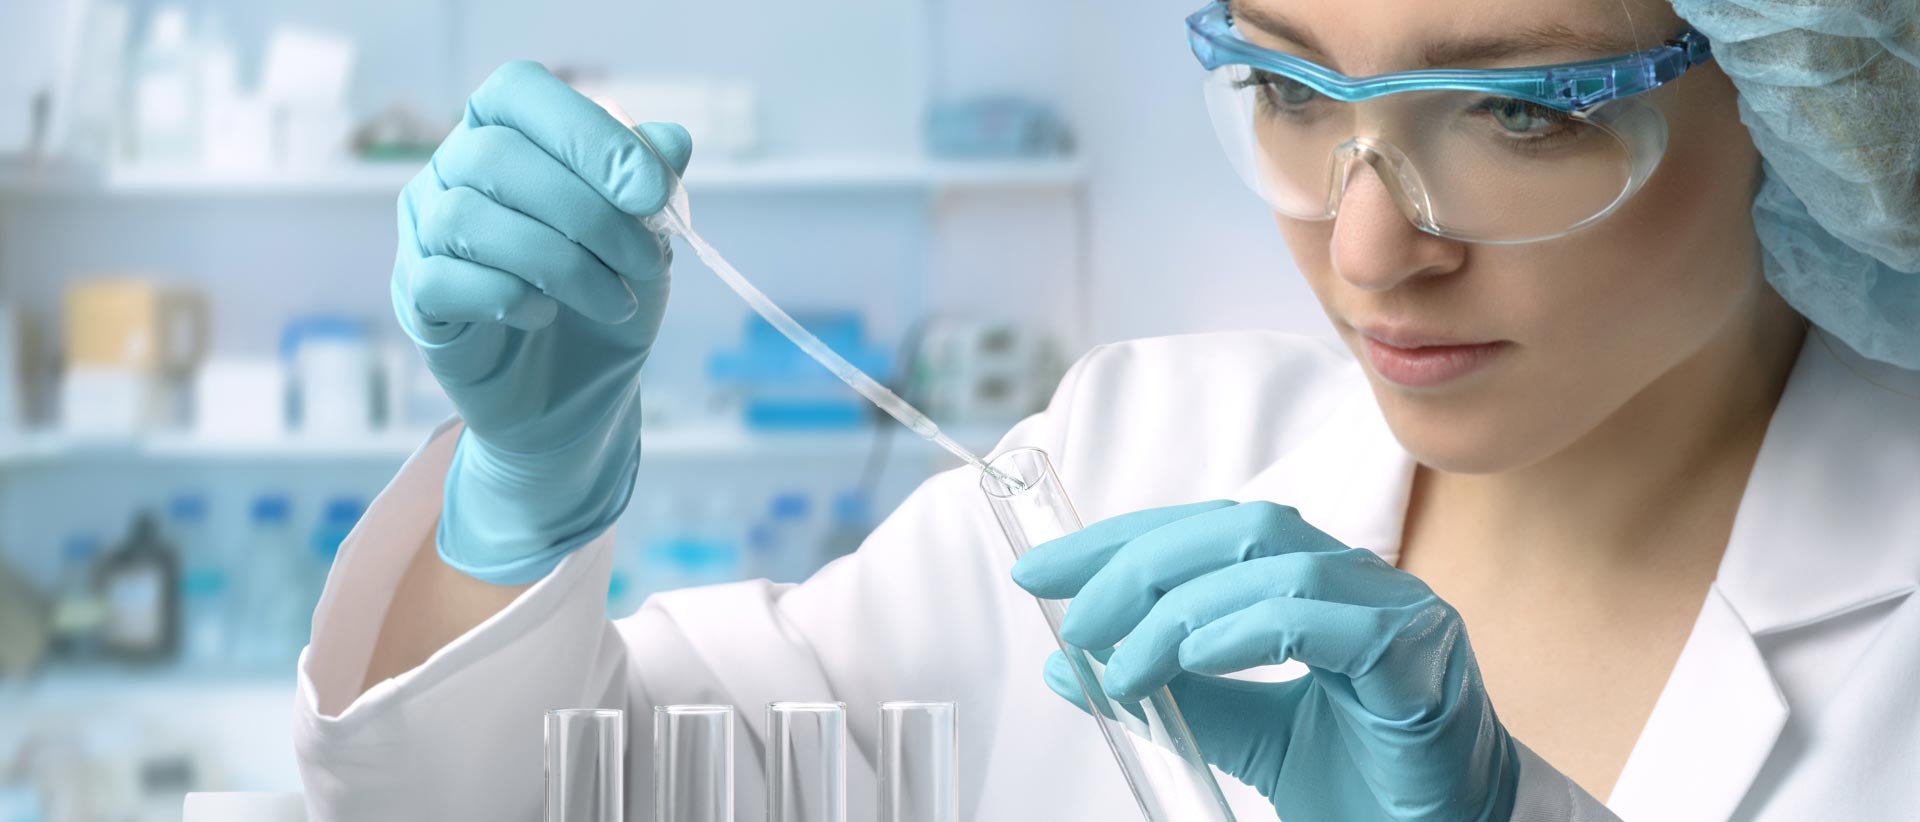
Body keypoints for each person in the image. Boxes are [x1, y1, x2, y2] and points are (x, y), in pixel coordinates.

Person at [293, 0, 1920, 819]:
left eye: (1516, 111)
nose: (1367, 248)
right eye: (1287, 87)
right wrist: (521, 499)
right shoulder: (1129, 453)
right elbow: (594, 790)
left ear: (1818, 100)